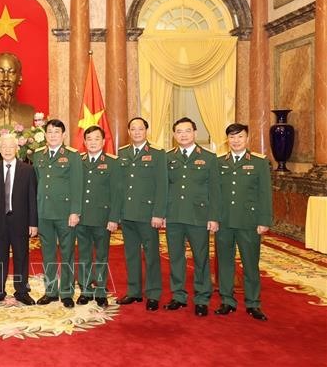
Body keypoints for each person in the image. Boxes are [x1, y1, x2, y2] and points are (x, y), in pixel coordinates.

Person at [163, 117, 221, 317]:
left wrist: (214, 217)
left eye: (187, 131)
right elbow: (163, 188)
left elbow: (215, 190)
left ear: (195, 133)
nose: (183, 135)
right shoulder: (168, 157)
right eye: (179, 131)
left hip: (199, 216)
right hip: (174, 215)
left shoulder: (208, 157)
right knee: (176, 257)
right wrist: (161, 214)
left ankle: (202, 298)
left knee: (201, 257)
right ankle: (178, 295)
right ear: (174, 135)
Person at [215, 123, 272, 321]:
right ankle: (227, 300)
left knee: (250, 264)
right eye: (232, 137)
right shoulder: (219, 162)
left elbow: (265, 194)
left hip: (249, 222)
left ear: (247, 138)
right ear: (227, 140)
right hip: (224, 222)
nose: (236, 141)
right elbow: (214, 194)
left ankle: (253, 303)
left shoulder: (259, 162)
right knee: (225, 263)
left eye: (240, 137)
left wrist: (264, 220)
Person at [115, 117, 167, 311]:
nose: (137, 132)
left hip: (148, 214)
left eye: (141, 129)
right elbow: (119, 186)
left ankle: (153, 293)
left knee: (151, 254)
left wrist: (158, 213)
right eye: (133, 129)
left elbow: (162, 186)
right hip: (127, 213)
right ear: (129, 132)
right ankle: (134, 291)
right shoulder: (123, 153)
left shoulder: (157, 154)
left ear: (147, 131)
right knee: (131, 254)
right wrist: (118, 212)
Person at [32, 119, 83, 308]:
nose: (53, 135)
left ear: (63, 135)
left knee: (67, 252)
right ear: (45, 135)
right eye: (49, 132)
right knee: (48, 254)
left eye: (56, 132)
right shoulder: (39, 156)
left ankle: (67, 292)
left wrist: (75, 212)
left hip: (65, 214)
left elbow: (78, 185)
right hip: (44, 213)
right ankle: (51, 291)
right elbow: (37, 184)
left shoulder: (72, 156)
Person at [0, 133, 38, 306]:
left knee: (21, 256)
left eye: (11, 147)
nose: (7, 150)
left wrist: (33, 223)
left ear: (17, 149)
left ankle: (22, 291)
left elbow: (32, 198)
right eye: (4, 147)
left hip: (21, 221)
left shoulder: (28, 170)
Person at [76, 125, 121, 307]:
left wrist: (113, 218)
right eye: (89, 139)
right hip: (82, 218)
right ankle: (85, 289)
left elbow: (117, 193)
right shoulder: (78, 161)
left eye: (96, 139)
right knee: (84, 255)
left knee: (102, 255)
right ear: (85, 142)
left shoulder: (112, 162)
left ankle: (101, 290)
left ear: (103, 142)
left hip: (103, 218)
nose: (93, 142)